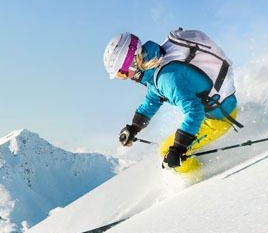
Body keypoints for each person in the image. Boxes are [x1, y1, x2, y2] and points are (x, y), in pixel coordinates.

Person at [103, 31, 241, 173]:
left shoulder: (166, 78)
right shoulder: (156, 67)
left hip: (220, 119)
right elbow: (152, 100)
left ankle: (203, 182)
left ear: (132, 61)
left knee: (165, 152)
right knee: (172, 146)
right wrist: (134, 127)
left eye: (122, 73)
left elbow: (195, 111)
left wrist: (179, 148)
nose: (125, 78)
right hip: (217, 109)